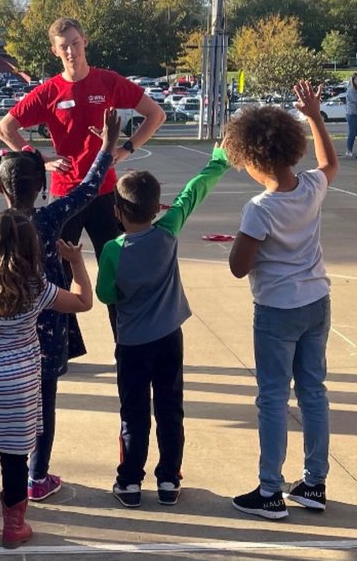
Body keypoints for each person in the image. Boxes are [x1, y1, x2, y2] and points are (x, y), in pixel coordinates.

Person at [0, 108, 119, 502]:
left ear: (1, 190)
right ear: (42, 187)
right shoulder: (49, 219)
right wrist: (105, 147)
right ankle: (37, 475)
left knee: (7, 402)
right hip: (49, 327)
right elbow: (89, 188)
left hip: (5, 333)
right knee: (44, 403)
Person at [0, 17, 166, 329]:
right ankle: (63, 343)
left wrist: (126, 148)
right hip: (66, 196)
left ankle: (123, 337)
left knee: (115, 270)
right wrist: (39, 160)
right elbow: (4, 128)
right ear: (54, 51)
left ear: (84, 41)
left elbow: (156, 114)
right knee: (59, 272)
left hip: (104, 194)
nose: (71, 51)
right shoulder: (49, 92)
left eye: (75, 43)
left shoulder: (108, 82)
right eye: (64, 47)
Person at [0, 211, 93, 550]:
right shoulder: (37, 288)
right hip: (20, 387)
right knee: (14, 458)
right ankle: (13, 526)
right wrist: (76, 262)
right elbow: (84, 302)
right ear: (30, 249)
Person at [223, 82, 336, 520]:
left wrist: (240, 241)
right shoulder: (311, 186)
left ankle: (270, 490)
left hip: (276, 309)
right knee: (313, 392)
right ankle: (314, 482)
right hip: (316, 302)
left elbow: (238, 265)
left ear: (253, 160)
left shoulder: (260, 208)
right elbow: (329, 162)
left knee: (272, 397)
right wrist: (314, 115)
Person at [97, 142, 230, 509]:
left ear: (117, 211)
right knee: (170, 410)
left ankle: (130, 482)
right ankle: (169, 477)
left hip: (132, 345)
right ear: (157, 208)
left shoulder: (113, 249)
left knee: (134, 412)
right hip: (169, 338)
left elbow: (106, 294)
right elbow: (192, 193)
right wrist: (219, 159)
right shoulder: (168, 231)